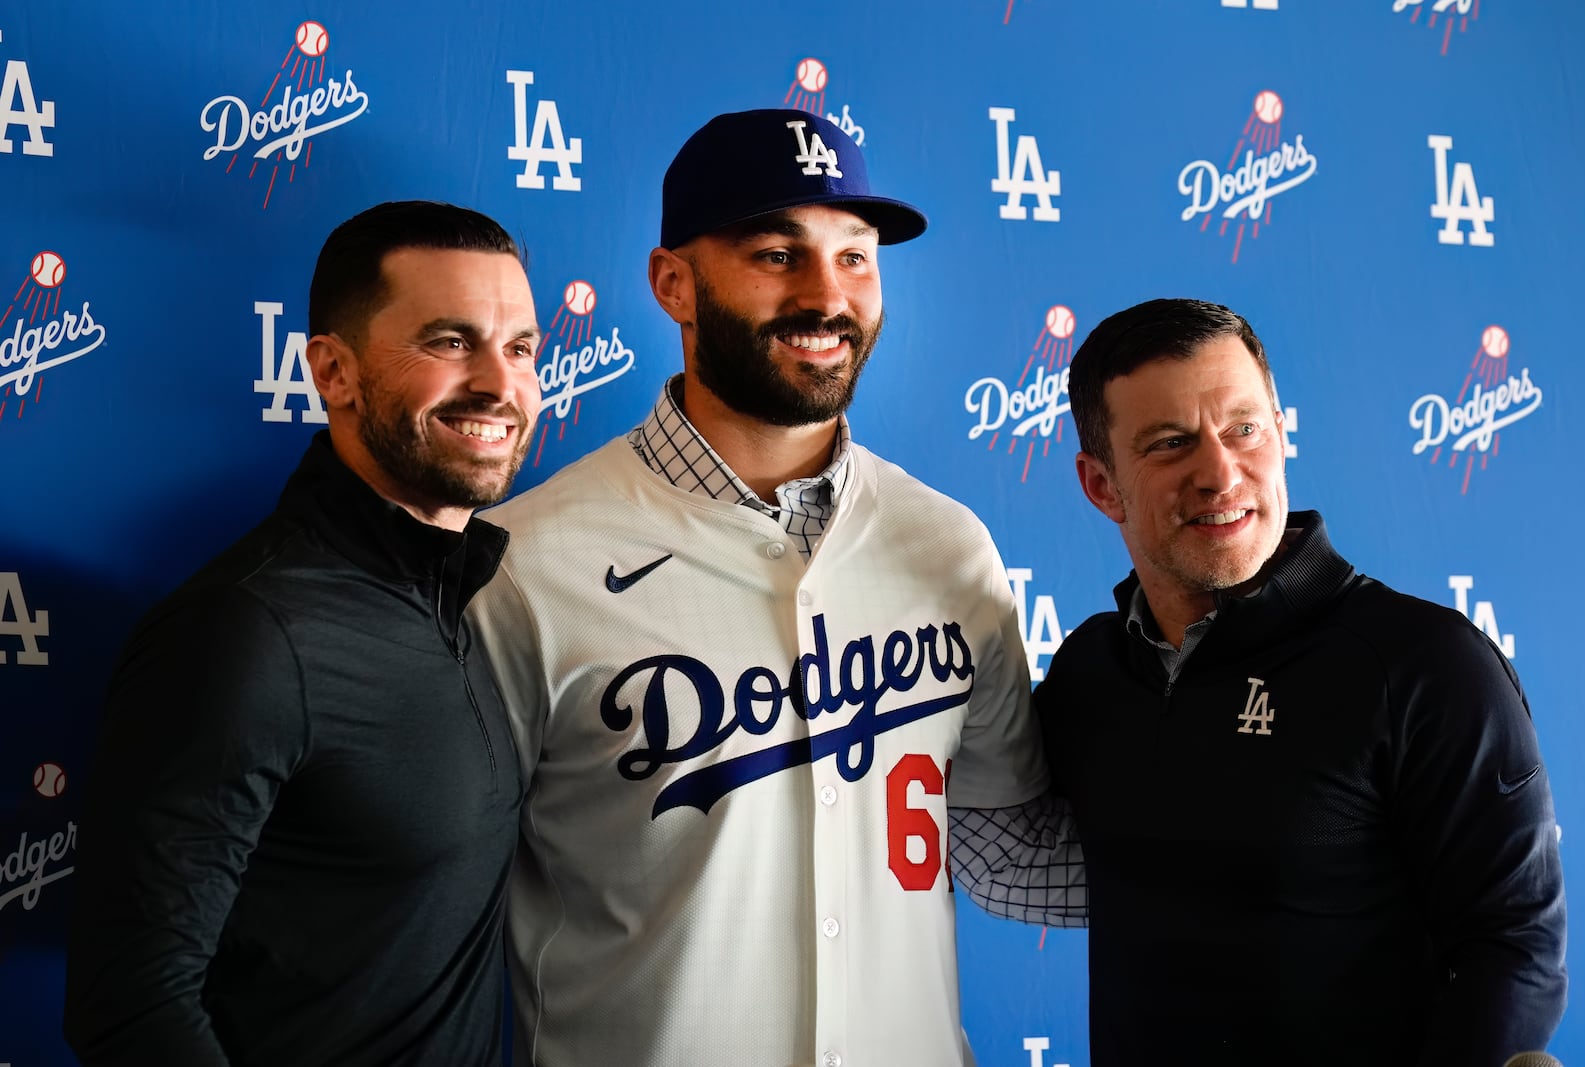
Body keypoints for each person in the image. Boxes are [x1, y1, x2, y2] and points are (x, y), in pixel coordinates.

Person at [470, 109, 1082, 1067]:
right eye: (774, 254)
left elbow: (1007, 847)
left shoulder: (950, 546)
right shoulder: (523, 560)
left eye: (855, 258)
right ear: (673, 283)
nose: (826, 295)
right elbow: (433, 899)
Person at [63, 201, 543, 1066]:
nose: (499, 386)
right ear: (334, 370)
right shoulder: (244, 630)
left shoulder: (470, 595)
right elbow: (132, 1007)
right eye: (449, 342)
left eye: (520, 349)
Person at [1034, 297, 1567, 1066]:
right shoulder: (1090, 671)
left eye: (1245, 428)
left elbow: (1516, 950)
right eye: (1172, 443)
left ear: (1282, 433)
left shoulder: (1427, 663)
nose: (1220, 472)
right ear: (1101, 485)